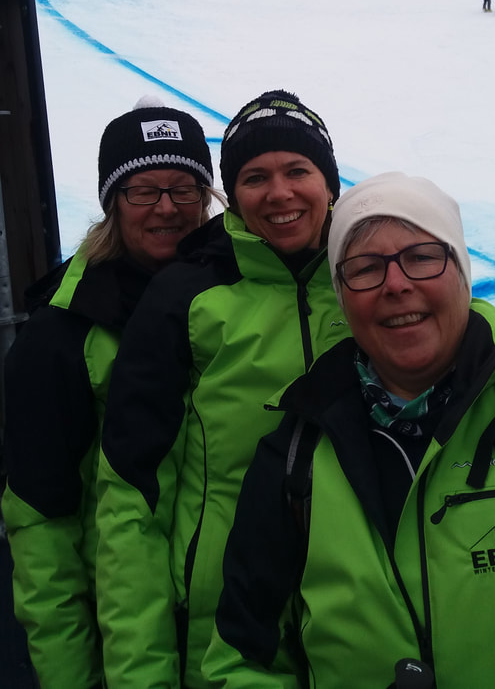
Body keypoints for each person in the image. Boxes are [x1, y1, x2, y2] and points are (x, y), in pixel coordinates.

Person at [205, 172, 495, 689]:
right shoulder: (298, 449)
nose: (396, 284)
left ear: (462, 272)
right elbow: (242, 657)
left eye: (422, 257)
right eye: (365, 268)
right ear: (342, 296)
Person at [95, 90, 350, 689]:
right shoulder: (184, 297)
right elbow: (131, 499)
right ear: (231, 195)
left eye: (298, 170)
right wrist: (142, 674)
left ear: (330, 184)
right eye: (255, 177)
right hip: (221, 632)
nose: (279, 193)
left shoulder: (367, 278)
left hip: (354, 616)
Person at [2, 98, 218, 689]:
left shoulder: (240, 301)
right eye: (143, 190)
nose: (167, 207)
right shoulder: (61, 335)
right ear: (112, 203)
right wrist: (71, 676)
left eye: (184, 188)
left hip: (234, 633)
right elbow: (41, 525)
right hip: (126, 637)